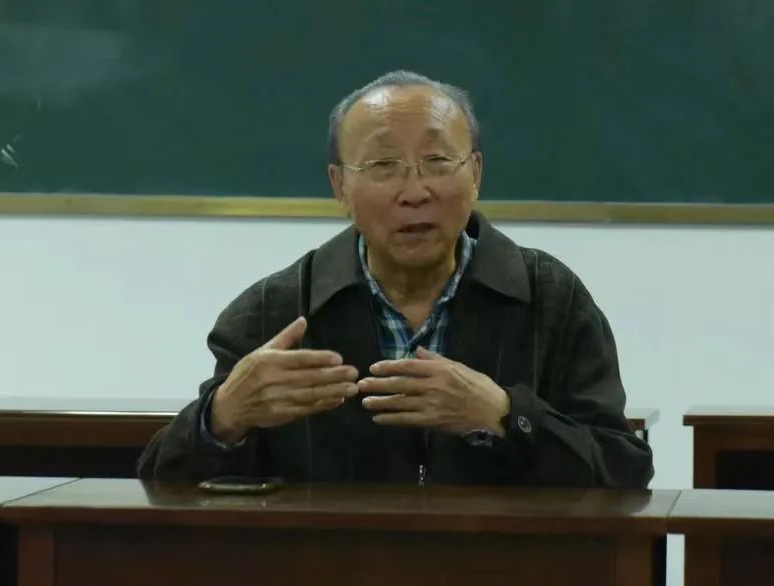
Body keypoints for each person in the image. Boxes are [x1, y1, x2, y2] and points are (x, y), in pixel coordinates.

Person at [138, 70, 653, 488]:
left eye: (437, 161)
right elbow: (162, 482)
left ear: (475, 174)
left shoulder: (551, 300)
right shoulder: (274, 311)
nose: (415, 191)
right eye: (384, 165)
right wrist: (224, 416)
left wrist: (504, 415)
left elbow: (624, 471)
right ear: (340, 186)